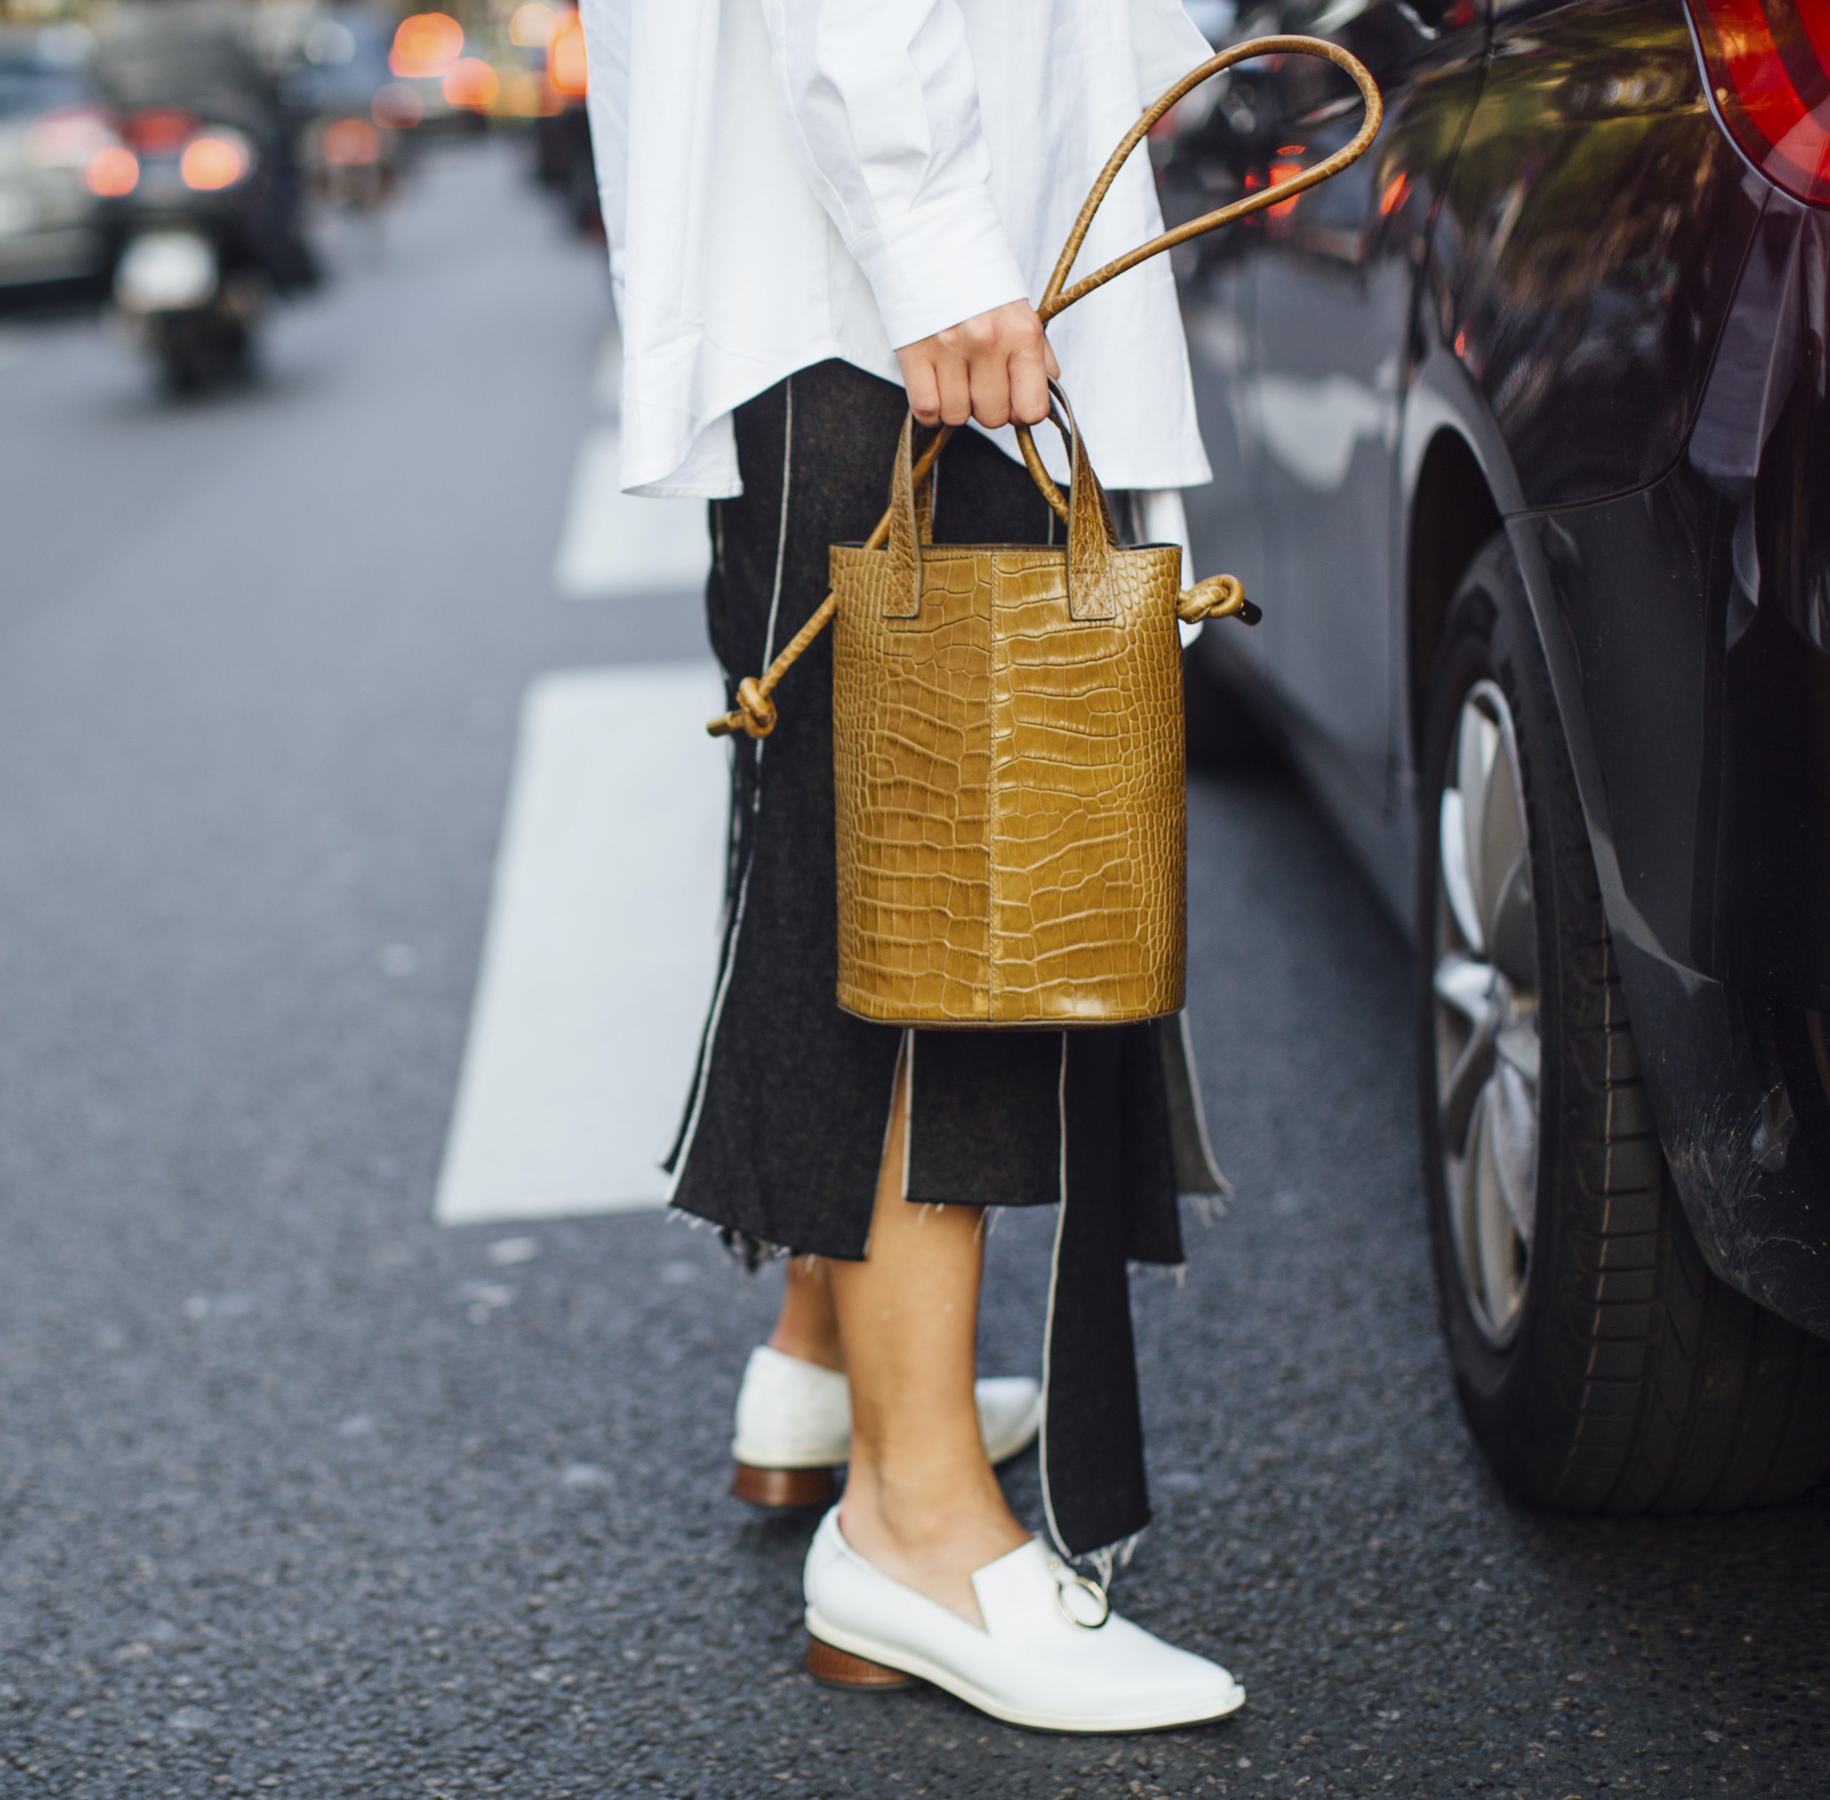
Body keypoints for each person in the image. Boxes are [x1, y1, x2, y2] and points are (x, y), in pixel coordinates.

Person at [582, 0, 1247, 1733]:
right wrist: (934, 233)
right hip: (897, 303)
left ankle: (829, 1363)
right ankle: (918, 1526)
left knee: (846, 846)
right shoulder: (920, 266)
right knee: (949, 887)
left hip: (840, 300)